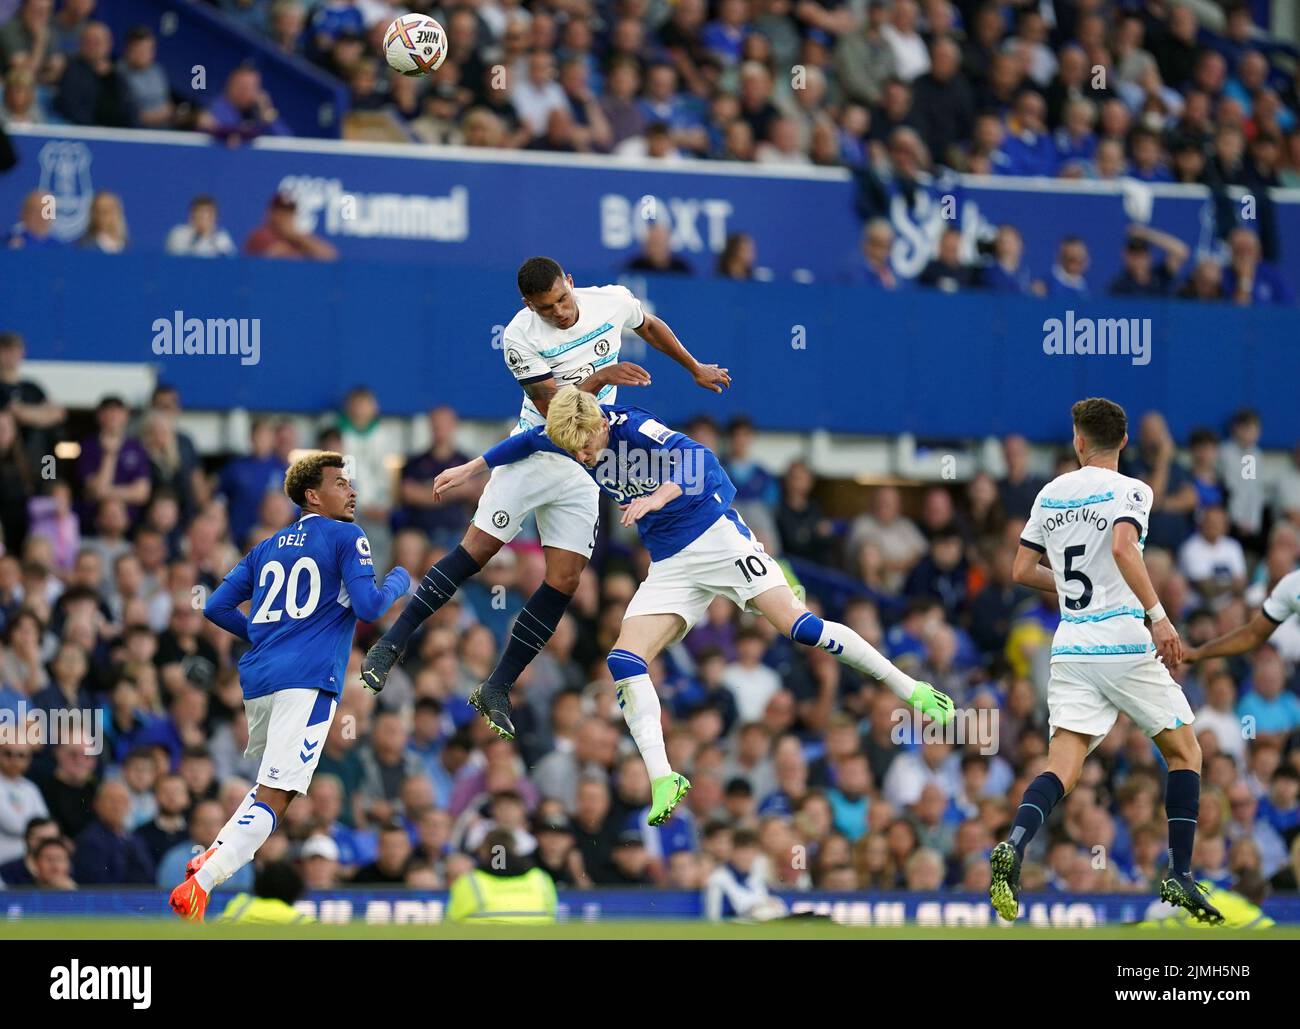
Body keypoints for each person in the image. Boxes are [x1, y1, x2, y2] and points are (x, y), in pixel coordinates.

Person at [432, 391, 954, 826]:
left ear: (599, 425)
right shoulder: (570, 434)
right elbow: (527, 441)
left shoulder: (634, 428)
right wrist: (472, 467)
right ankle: (664, 776)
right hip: (671, 565)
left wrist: (656, 499)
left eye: (589, 446)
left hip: (715, 539)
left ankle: (910, 687)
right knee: (623, 659)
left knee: (802, 628)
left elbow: (699, 459)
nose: (586, 456)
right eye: (577, 450)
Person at [359, 257, 730, 731]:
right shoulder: (519, 336)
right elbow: (556, 414)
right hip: (535, 450)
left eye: (562, 299)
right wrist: (599, 378)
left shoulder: (610, 301)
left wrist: (693, 366)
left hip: (585, 460)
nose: (558, 311)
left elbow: (650, 324)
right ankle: (391, 643)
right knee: (476, 552)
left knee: (565, 580)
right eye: (545, 307)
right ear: (527, 306)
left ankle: (497, 686)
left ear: (571, 283)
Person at [991, 397, 1222, 926]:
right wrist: (1159, 617)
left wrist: (1076, 592)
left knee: (1063, 766)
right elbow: (1123, 548)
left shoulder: (1050, 493)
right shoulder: (1132, 489)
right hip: (1121, 638)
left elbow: (1022, 568)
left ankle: (1016, 844)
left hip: (1071, 644)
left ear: (1077, 441)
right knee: (1185, 753)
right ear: (1122, 442)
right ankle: (1180, 873)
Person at [169, 451, 410, 920]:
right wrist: (400, 579)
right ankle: (202, 884)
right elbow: (369, 606)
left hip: (260, 680)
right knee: (280, 795)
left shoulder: (266, 546)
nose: (352, 491)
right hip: (307, 681)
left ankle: (211, 856)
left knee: (267, 785)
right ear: (313, 496)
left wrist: (265, 634)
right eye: (341, 484)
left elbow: (216, 607)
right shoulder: (347, 535)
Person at [445, 828, 558, 924]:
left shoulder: (470, 882)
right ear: (515, 849)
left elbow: (451, 923)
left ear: (484, 851)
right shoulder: (541, 878)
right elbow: (552, 916)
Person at [165, 195, 236, 257]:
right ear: (191, 217)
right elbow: (177, 259)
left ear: (215, 218)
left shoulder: (222, 239)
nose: (204, 219)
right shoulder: (179, 233)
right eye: (200, 215)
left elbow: (231, 264)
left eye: (209, 216)